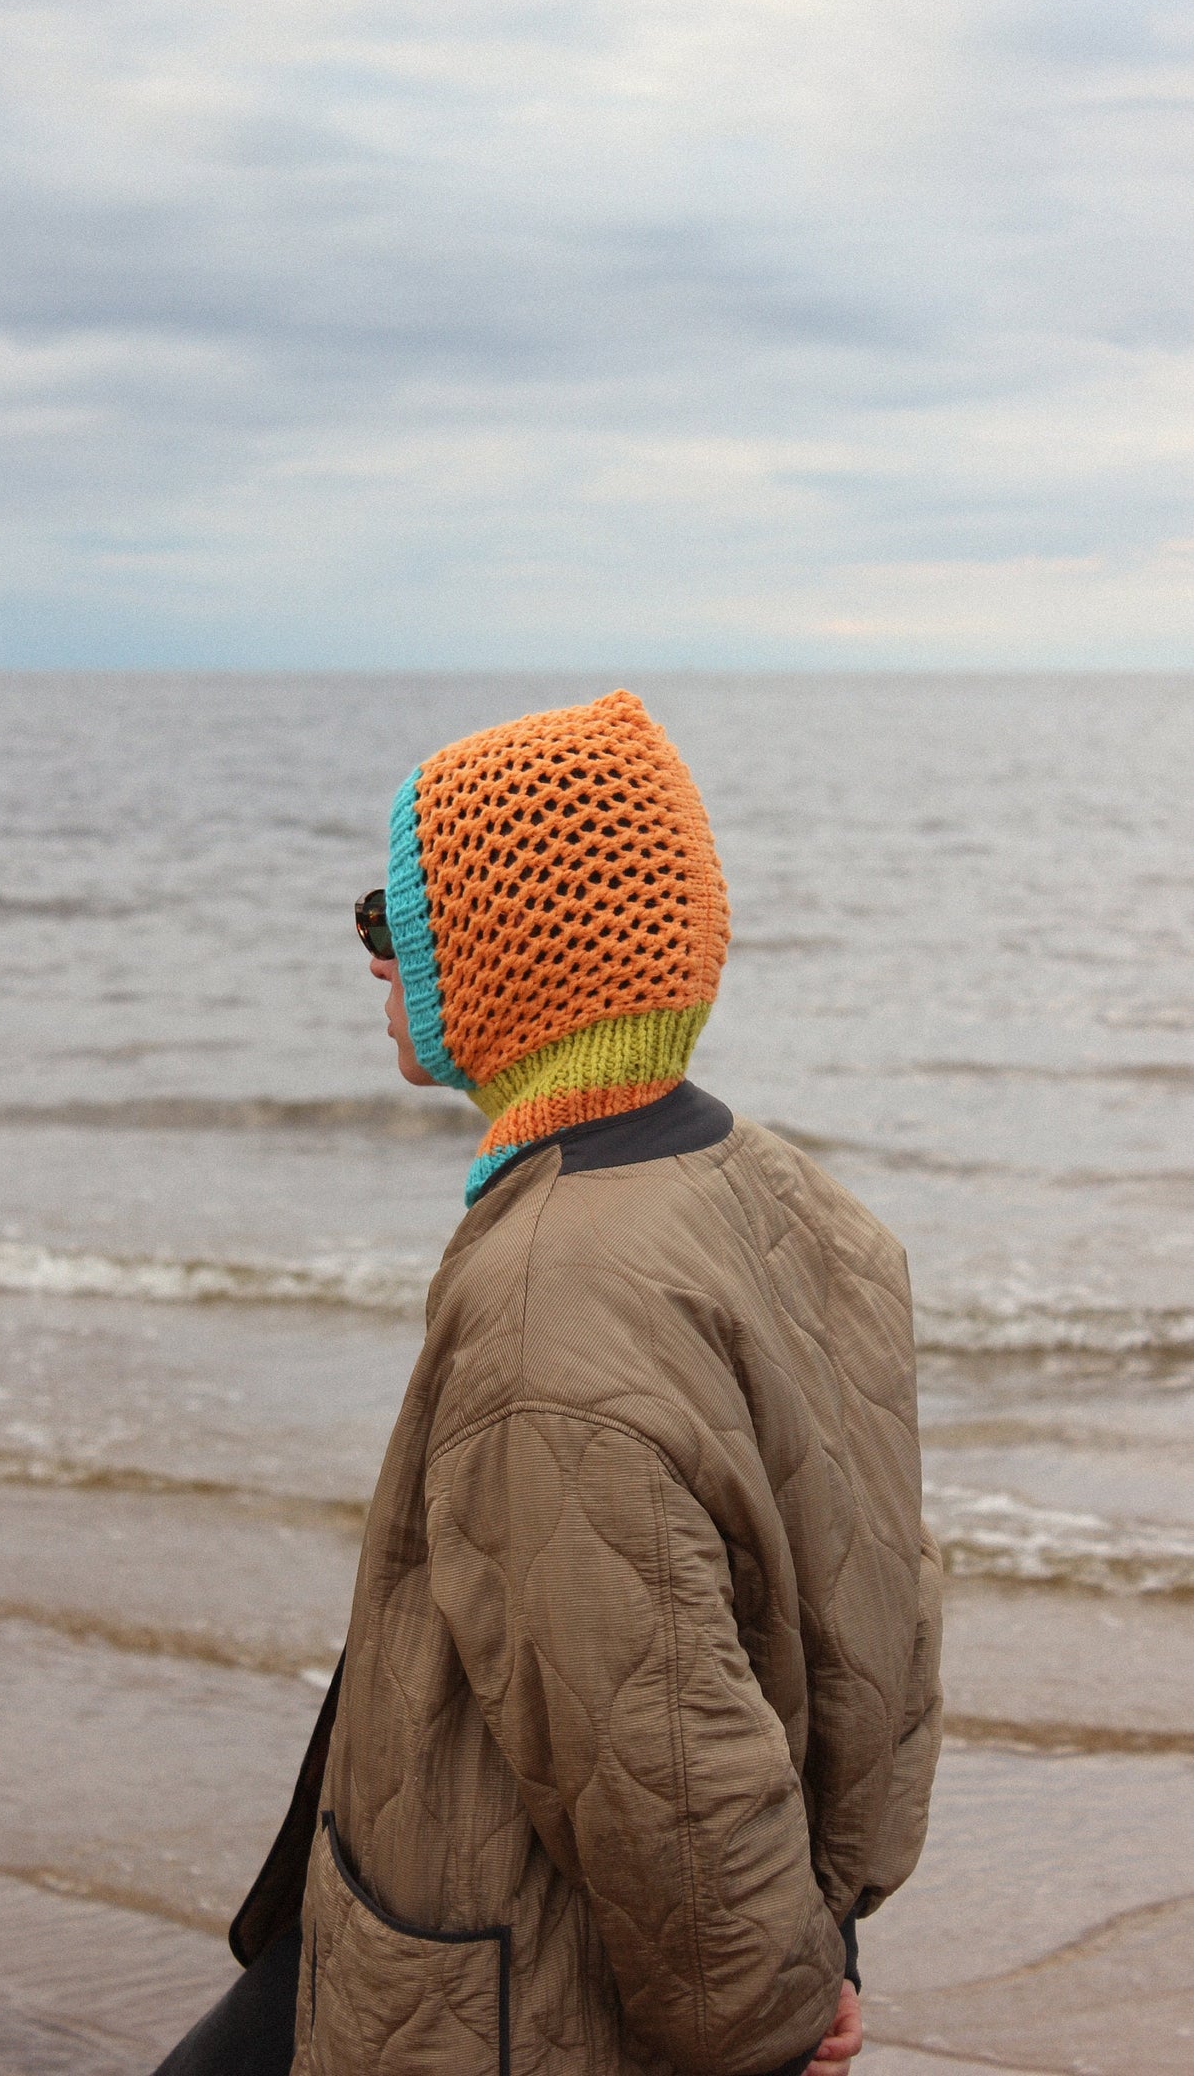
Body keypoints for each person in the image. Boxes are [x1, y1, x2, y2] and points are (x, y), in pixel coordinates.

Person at [153, 690, 941, 2076]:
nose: (374, 965)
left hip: (513, 1989)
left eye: (397, 926)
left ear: (506, 952)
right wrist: (833, 1938)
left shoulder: (547, 1297)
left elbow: (664, 1752)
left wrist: (772, 2009)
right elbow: (870, 1616)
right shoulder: (784, 1199)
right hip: (518, 1919)